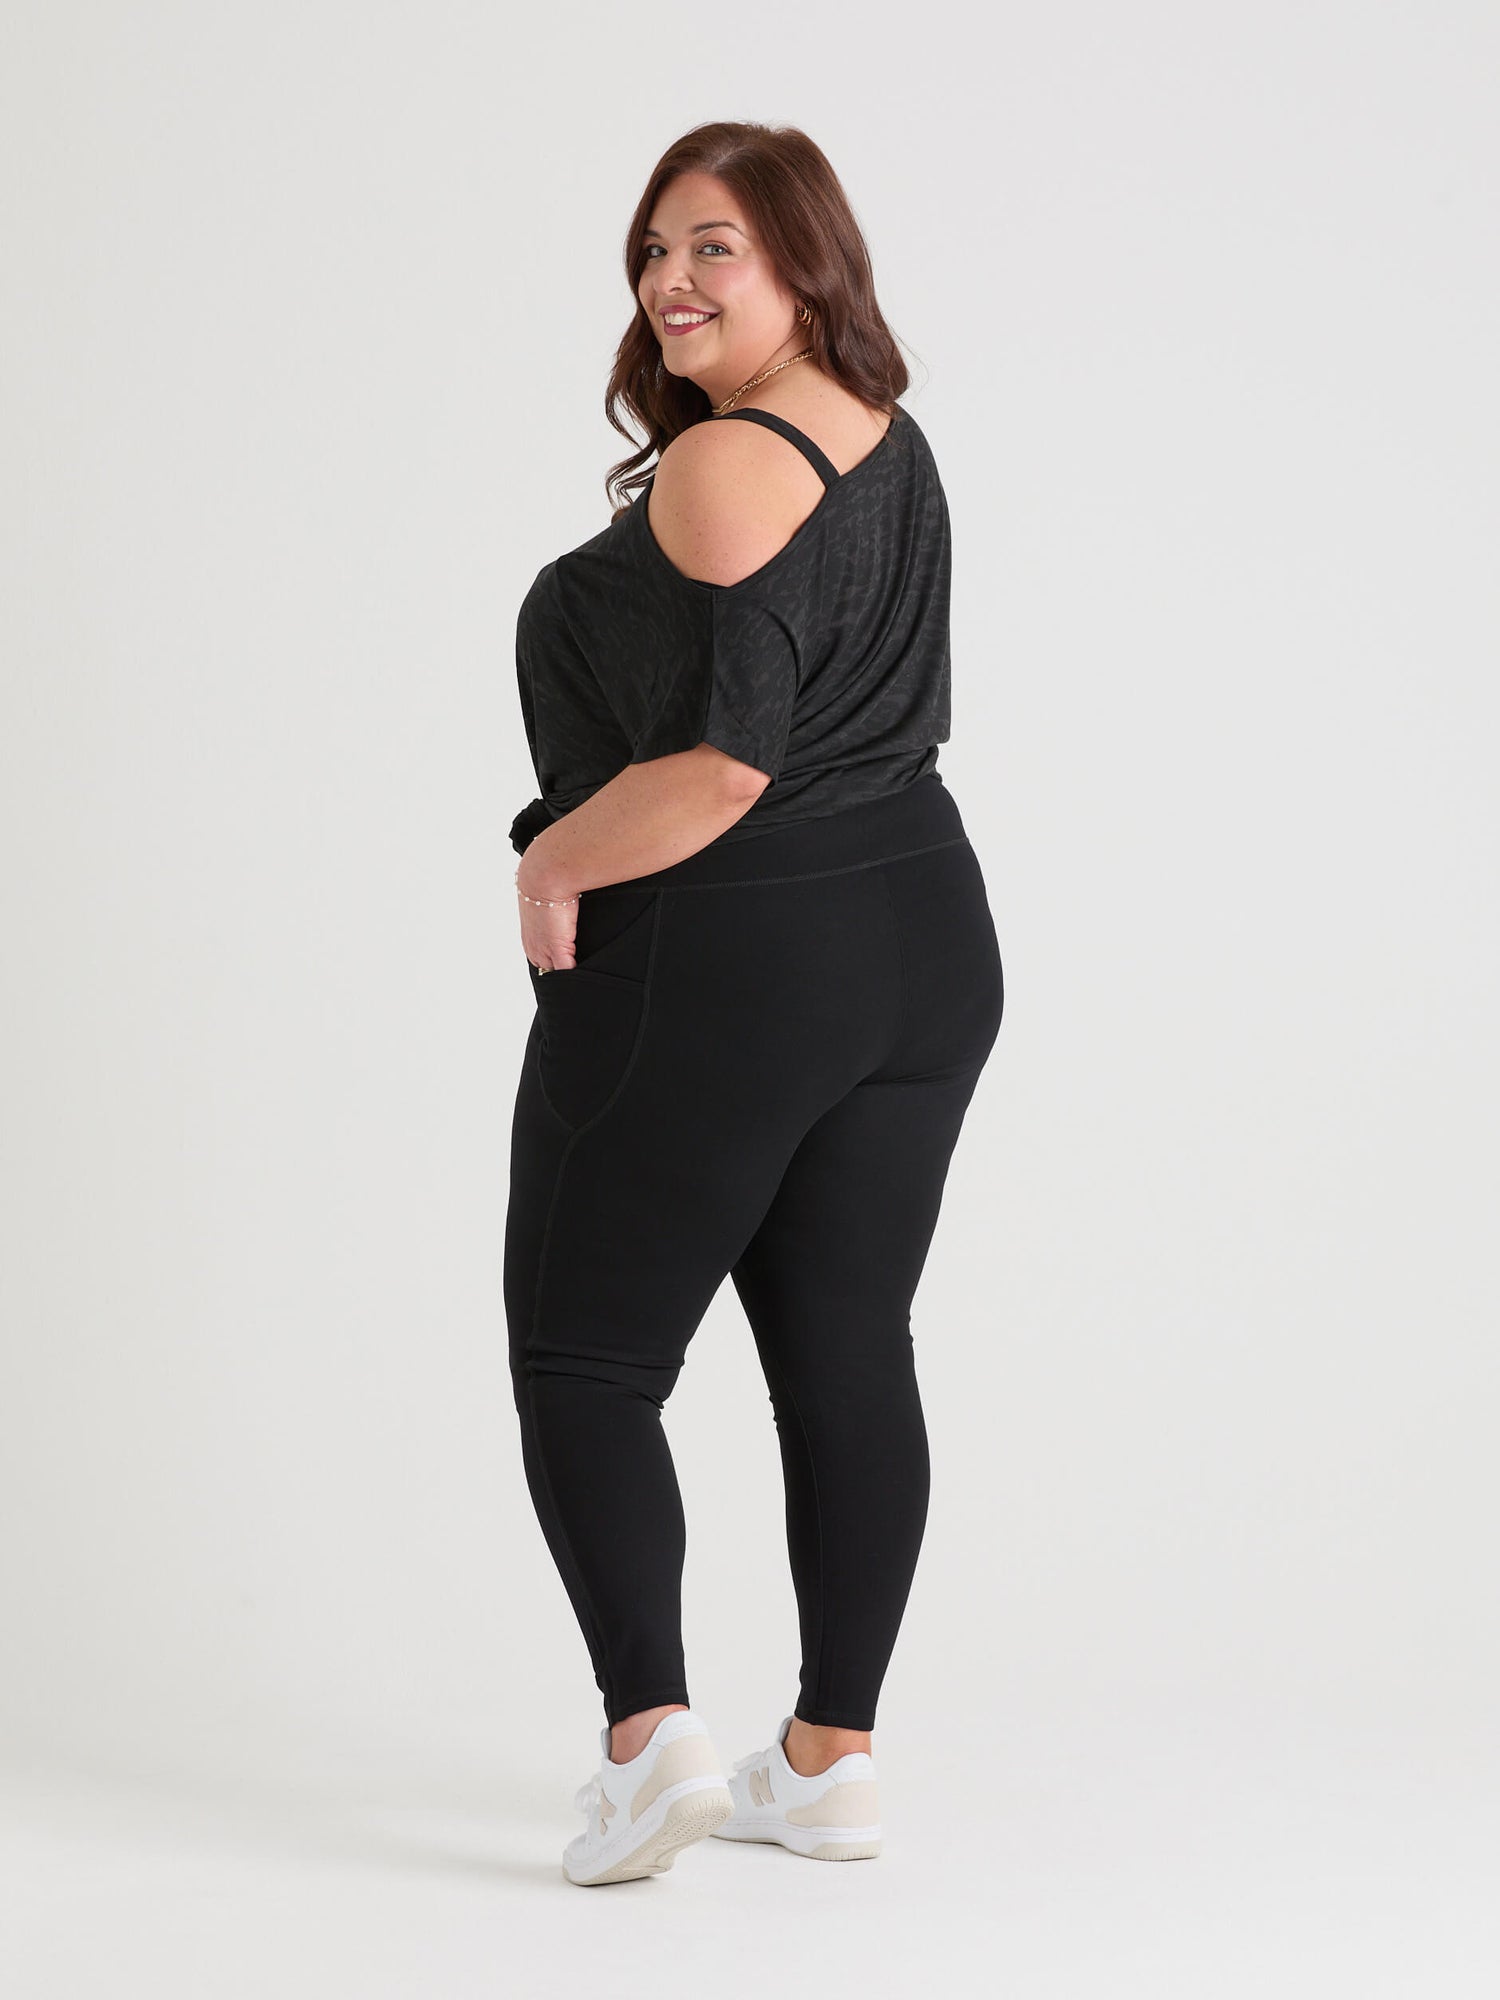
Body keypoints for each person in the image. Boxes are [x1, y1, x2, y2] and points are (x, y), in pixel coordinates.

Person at [504, 122, 1005, 1887]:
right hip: (922, 929)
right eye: (653, 251)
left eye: (715, 245)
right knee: (850, 1344)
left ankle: (649, 1748)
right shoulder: (888, 434)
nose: (671, 281)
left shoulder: (728, 464)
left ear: (805, 260)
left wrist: (553, 860)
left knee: (586, 1352)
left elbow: (726, 769)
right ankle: (827, 1762)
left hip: (737, 944)